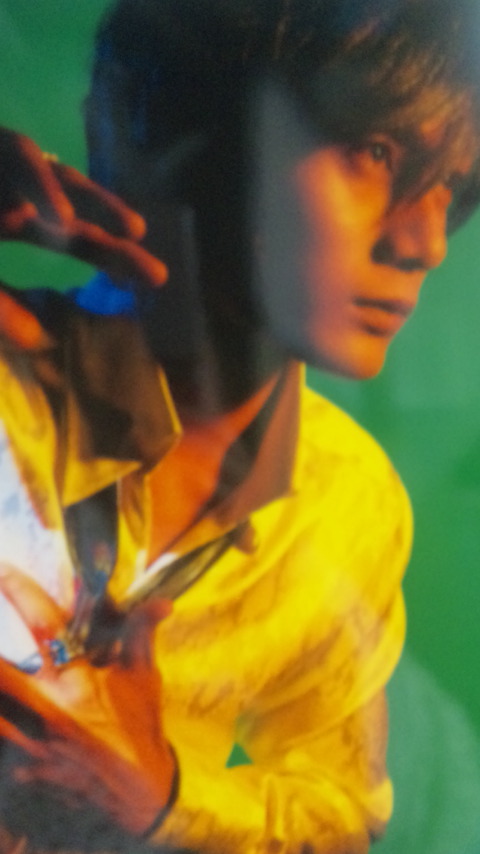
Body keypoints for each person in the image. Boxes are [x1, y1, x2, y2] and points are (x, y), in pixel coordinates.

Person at [0, 0, 479, 851]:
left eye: (452, 186)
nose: (427, 241)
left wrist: (162, 804)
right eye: (374, 152)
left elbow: (337, 809)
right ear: (188, 136)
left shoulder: (349, 501)